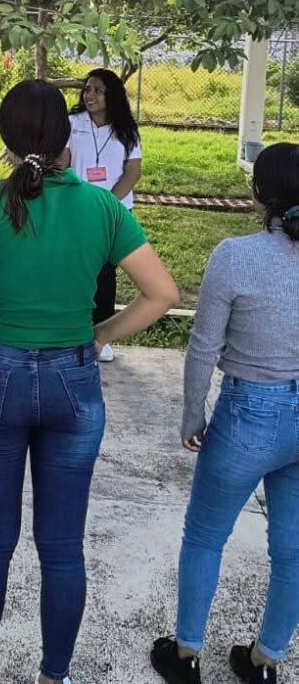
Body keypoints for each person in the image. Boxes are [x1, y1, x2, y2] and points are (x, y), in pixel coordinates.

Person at [0, 80, 179, 684]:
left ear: (7, 139)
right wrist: (100, 334)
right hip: (73, 376)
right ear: (68, 138)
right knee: (62, 547)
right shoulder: (101, 207)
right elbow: (162, 293)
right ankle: (54, 675)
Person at [151, 142, 299, 684]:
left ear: (258, 193)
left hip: (247, 415)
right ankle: (266, 660)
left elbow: (202, 348)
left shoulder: (235, 255)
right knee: (294, 551)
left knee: (205, 536)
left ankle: (186, 654)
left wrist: (193, 414)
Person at [67, 68, 143, 362]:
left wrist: (107, 204)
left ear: (111, 95)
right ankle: (73, 330)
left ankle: (101, 337)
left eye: (98, 90)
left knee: (105, 273)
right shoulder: (73, 123)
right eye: (87, 89)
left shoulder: (127, 129)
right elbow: (63, 161)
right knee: (75, 270)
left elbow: (132, 171)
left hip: (112, 211)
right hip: (77, 208)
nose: (90, 95)